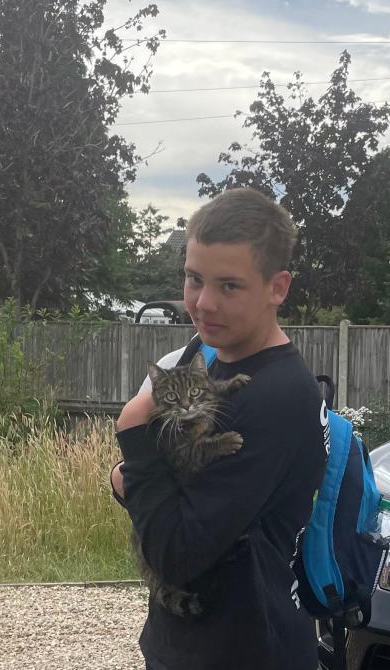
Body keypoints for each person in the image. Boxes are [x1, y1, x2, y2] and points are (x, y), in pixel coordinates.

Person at [110, 188, 328, 670]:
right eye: (194, 278)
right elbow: (172, 496)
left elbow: (175, 553)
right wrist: (128, 478)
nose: (203, 302)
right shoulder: (208, 362)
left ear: (278, 287)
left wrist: (132, 436)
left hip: (244, 650)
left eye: (229, 285)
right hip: (188, 642)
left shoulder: (278, 395)